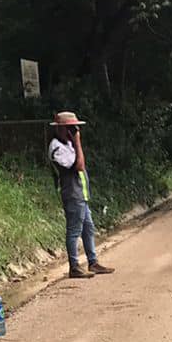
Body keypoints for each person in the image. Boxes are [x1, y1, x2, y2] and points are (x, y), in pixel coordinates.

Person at [47, 110, 113, 278]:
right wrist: (77, 141)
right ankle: (74, 266)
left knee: (88, 228)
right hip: (72, 195)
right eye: (71, 128)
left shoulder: (67, 144)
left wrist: (74, 142)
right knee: (74, 230)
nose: (74, 131)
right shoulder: (57, 148)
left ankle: (93, 262)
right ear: (60, 129)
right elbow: (79, 166)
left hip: (81, 195)